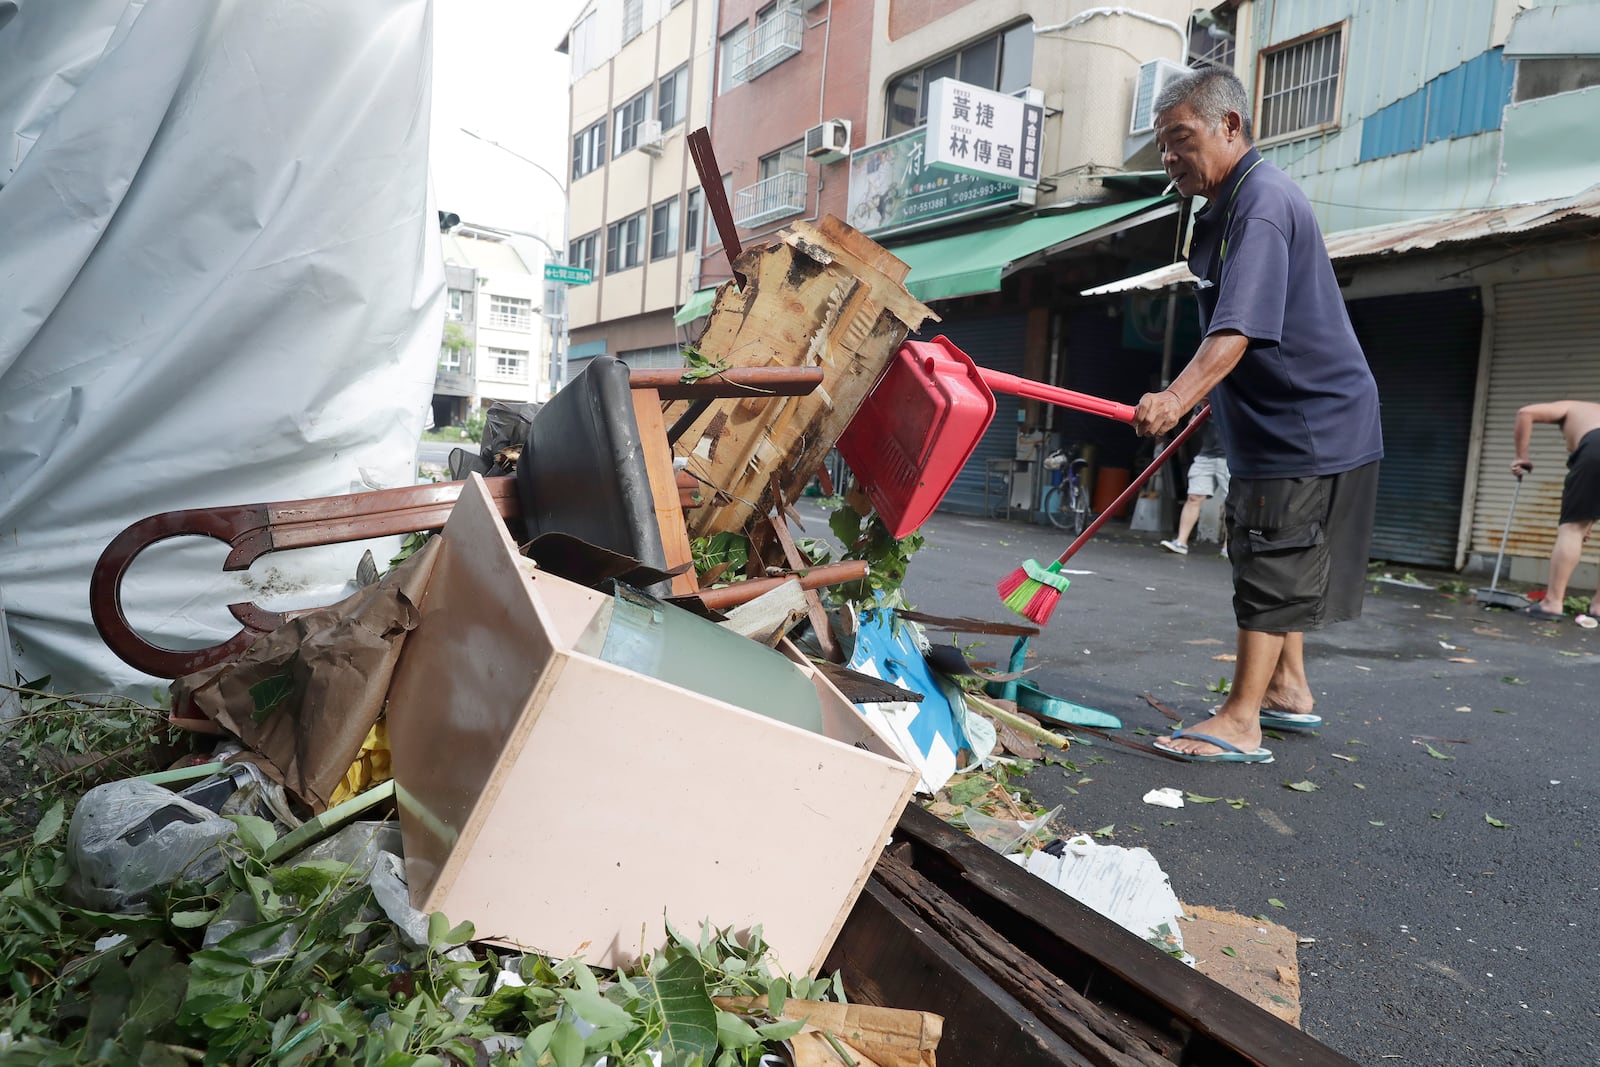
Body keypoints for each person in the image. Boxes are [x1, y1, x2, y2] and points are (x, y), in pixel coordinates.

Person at [1131, 68, 1384, 764]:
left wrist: (1178, 395)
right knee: (1279, 547)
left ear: (1231, 126)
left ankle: (1242, 719)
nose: (1170, 156)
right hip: (1299, 417)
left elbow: (1237, 327)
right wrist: (1198, 397)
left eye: (1180, 138)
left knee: (1272, 551)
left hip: (1306, 423)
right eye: (1161, 144)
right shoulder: (1231, 203)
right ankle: (1289, 689)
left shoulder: (1262, 202)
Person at [1511, 400, 1600, 627]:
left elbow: (1526, 412)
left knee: (1572, 529)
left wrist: (1522, 456)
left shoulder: (1571, 407)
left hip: (1596, 447)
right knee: (1579, 527)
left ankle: (1552, 603)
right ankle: (1599, 607)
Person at [1160, 407, 1230, 558]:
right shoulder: (1205, 402)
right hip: (1206, 455)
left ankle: (1228, 547)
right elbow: (1193, 426)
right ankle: (1181, 542)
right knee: (1194, 497)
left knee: (1231, 503)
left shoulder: (1235, 398)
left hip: (1231, 457)